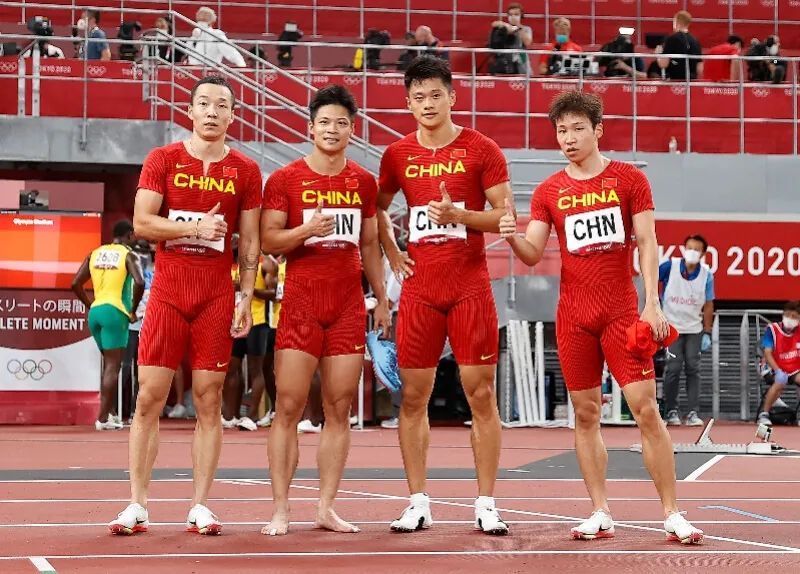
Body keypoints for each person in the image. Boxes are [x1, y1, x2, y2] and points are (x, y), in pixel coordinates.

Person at [498, 90, 703, 544]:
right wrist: (511, 235)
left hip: (620, 311)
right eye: (561, 131)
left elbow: (647, 242)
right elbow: (532, 253)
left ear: (597, 130)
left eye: (577, 129)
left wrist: (652, 302)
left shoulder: (629, 179)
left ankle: (672, 513)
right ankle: (600, 511)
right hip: (574, 316)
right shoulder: (549, 191)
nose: (568, 138)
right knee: (586, 414)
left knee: (646, 409)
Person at [107, 75, 262, 536]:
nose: (212, 112)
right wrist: (194, 229)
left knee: (209, 399)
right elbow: (142, 223)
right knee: (149, 398)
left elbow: (250, 242)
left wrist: (245, 295)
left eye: (222, 105)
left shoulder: (246, 171)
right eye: (204, 104)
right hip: (169, 293)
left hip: (216, 295)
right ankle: (137, 503)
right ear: (190, 111)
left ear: (233, 115)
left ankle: (200, 505)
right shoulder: (163, 159)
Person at [376, 56, 512, 535]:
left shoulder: (482, 148)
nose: (428, 104)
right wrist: (393, 251)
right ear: (408, 103)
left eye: (436, 95)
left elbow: (505, 216)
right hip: (420, 289)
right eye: (419, 97)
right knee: (413, 397)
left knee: (481, 394)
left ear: (453, 97)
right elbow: (375, 209)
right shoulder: (397, 154)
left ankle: (486, 503)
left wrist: (460, 216)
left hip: (469, 287)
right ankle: (417, 502)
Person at [260, 84, 390, 536]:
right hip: (301, 303)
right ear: (310, 128)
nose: (332, 130)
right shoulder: (285, 179)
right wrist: (306, 229)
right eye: (325, 122)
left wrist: (382, 298)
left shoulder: (364, 182)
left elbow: (370, 244)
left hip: (348, 305)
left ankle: (325, 507)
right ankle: (281, 509)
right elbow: (269, 240)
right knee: (288, 406)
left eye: (341, 123)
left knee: (339, 407)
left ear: (352, 130)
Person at [72, 220, 145, 430]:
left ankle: (110, 413)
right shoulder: (128, 255)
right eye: (134, 235)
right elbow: (140, 282)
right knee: (113, 367)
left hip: (96, 312)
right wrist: (132, 310)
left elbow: (75, 283)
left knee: (108, 366)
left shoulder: (94, 253)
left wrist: (91, 305)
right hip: (115, 312)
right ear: (129, 235)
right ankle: (103, 419)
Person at [659, 235, 714, 427]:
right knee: (673, 368)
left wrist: (707, 331)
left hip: (694, 328)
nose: (692, 252)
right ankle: (671, 410)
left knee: (693, 368)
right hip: (671, 327)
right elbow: (648, 281)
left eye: (696, 249)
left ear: (703, 253)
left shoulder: (707, 275)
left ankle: (692, 412)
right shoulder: (669, 266)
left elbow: (708, 304)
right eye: (689, 248)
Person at [222, 234, 274, 431]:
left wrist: (248, 289)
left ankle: (251, 416)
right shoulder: (228, 265)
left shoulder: (264, 263)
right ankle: (231, 415)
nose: (234, 243)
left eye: (237, 240)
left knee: (255, 370)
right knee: (231, 368)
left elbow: (274, 294)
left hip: (258, 322)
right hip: (234, 323)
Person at [757, 301, 800, 426]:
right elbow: (767, 353)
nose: (790, 319)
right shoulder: (772, 330)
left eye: (794, 317)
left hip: (793, 367)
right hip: (772, 366)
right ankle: (764, 414)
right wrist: (778, 370)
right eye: (788, 315)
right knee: (780, 382)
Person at [489, 3, 533, 75]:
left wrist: (518, 28)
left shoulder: (526, 29)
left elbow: (527, 42)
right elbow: (494, 24)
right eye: (510, 14)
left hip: (521, 63)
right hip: (507, 63)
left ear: (521, 15)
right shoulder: (504, 28)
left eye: (516, 14)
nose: (513, 17)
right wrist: (506, 26)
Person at [658, 10, 702, 80]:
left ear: (676, 22)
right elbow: (700, 68)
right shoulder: (695, 41)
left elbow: (663, 64)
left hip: (674, 80)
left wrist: (658, 54)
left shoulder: (671, 39)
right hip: (691, 81)